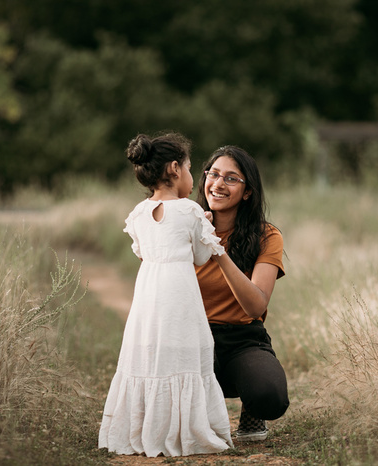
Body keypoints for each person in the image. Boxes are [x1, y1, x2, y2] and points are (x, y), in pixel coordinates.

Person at [98, 133, 234, 457]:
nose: (192, 178)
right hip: (180, 296)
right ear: (175, 169)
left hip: (149, 295)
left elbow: (143, 252)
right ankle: (186, 430)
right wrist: (208, 225)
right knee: (183, 354)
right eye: (189, 169)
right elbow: (202, 257)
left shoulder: (139, 213)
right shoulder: (190, 211)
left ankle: (143, 429)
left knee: (149, 354)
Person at [195, 145, 289, 442]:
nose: (219, 184)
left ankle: (252, 410)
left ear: (247, 192)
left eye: (231, 179)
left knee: (269, 396)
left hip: (242, 338)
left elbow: (255, 305)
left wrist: (217, 250)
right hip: (191, 336)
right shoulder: (185, 226)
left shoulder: (266, 235)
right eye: (214, 174)